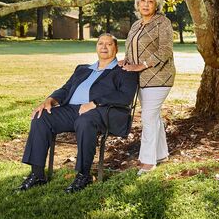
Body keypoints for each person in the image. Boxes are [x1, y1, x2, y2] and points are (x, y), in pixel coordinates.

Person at [18, 34, 138, 193]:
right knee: (42, 117)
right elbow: (66, 89)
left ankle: (83, 175)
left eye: (109, 44)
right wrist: (50, 99)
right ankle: (37, 174)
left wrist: (94, 103)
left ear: (116, 48)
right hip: (72, 110)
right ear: (96, 47)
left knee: (85, 121)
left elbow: (125, 96)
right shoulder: (82, 69)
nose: (104, 47)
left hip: (103, 112)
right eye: (100, 43)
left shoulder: (124, 71)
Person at [121, 0, 175, 175]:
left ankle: (147, 162)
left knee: (148, 118)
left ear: (156, 4)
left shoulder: (163, 22)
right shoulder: (136, 25)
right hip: (141, 79)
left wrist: (141, 65)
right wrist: (126, 61)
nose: (145, 4)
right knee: (153, 117)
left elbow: (165, 50)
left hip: (159, 77)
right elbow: (130, 49)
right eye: (142, 1)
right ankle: (161, 155)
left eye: (150, 1)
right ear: (137, 4)